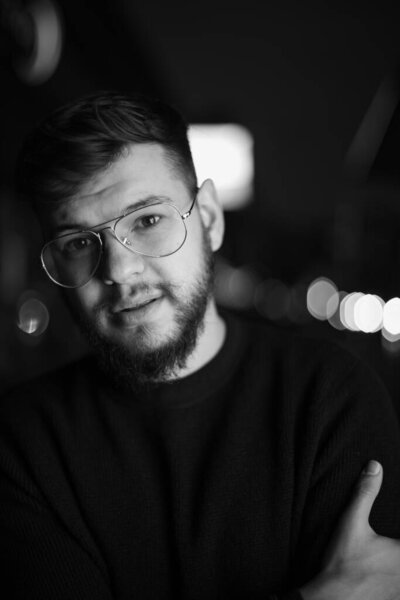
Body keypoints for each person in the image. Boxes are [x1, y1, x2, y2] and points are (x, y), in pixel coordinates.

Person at [1, 90, 400, 600]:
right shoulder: (23, 445)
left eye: (147, 220)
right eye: (79, 243)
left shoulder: (330, 401)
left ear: (208, 218)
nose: (120, 271)